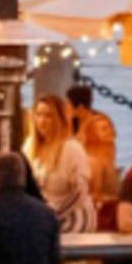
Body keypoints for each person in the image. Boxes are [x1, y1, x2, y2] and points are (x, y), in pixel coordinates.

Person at [25, 95, 96, 234]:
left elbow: (80, 191)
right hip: (44, 215)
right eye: (38, 115)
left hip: (73, 215)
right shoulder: (29, 147)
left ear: (58, 119)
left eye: (48, 116)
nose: (42, 121)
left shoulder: (71, 148)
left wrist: (54, 214)